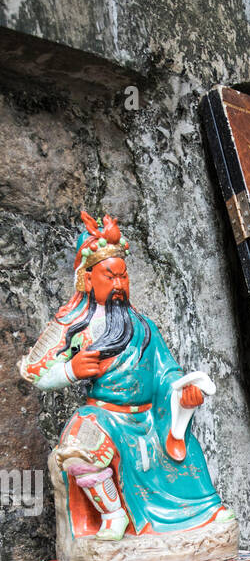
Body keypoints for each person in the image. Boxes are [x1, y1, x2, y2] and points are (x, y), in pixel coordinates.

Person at [20, 210, 234, 542]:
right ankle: (113, 514)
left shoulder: (145, 326)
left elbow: (166, 372)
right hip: (104, 415)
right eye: (110, 276)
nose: (119, 285)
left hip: (150, 419)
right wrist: (70, 370)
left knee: (184, 448)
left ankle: (202, 512)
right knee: (77, 449)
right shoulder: (73, 324)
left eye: (123, 277)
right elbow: (36, 371)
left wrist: (183, 393)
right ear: (88, 279)